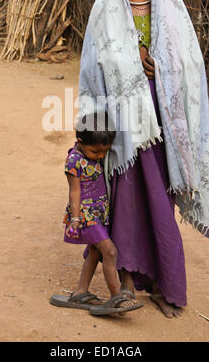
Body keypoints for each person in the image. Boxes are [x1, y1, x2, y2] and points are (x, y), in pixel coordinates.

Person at [78, 0, 209, 318]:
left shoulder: (170, 7)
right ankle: (125, 281)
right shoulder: (107, 7)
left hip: (162, 119)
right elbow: (95, 62)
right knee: (124, 197)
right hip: (125, 122)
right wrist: (129, 62)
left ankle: (164, 283)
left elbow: (190, 62)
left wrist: (164, 68)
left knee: (160, 196)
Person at [50, 112, 144, 315]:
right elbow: (74, 191)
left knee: (94, 253)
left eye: (104, 152)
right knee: (109, 251)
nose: (100, 156)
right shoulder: (74, 161)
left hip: (99, 214)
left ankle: (80, 292)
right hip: (85, 216)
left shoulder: (93, 151)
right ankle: (116, 297)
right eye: (95, 152)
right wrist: (75, 218)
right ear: (80, 141)